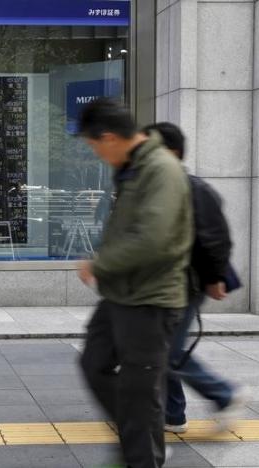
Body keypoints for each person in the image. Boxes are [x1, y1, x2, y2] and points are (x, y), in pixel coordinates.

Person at [76, 99, 192, 468]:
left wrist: (101, 263)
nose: (96, 155)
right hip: (119, 296)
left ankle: (142, 451)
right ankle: (136, 436)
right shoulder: (133, 168)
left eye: (94, 147)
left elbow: (153, 238)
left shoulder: (161, 169)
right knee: (95, 365)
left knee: (140, 394)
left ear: (109, 137)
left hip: (150, 301)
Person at [143, 122, 249, 434]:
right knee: (161, 348)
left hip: (186, 284)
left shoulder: (192, 187)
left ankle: (224, 394)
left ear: (172, 152)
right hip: (164, 282)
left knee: (169, 351)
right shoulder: (162, 187)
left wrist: (215, 276)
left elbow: (216, 236)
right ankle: (173, 415)